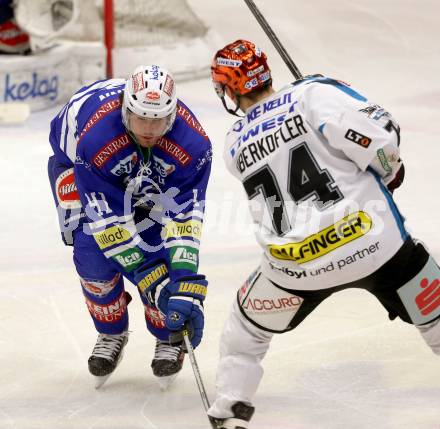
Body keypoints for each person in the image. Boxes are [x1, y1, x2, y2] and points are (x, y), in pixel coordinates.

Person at [208, 39, 440, 428]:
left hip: (296, 266)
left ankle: (232, 406)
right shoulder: (312, 93)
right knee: (437, 318)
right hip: (373, 245)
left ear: (229, 89)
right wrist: (390, 171)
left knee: (244, 334)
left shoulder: (234, 142)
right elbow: (382, 138)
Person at [48, 64, 212, 388]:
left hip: (141, 172)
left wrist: (181, 281)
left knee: (157, 242)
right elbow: (106, 223)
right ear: (125, 111)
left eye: (159, 120)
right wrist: (147, 274)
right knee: (89, 249)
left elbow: (183, 220)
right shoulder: (95, 140)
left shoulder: (193, 146)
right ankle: (111, 331)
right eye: (141, 119)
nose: (150, 129)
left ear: (174, 114)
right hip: (76, 163)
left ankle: (167, 332)